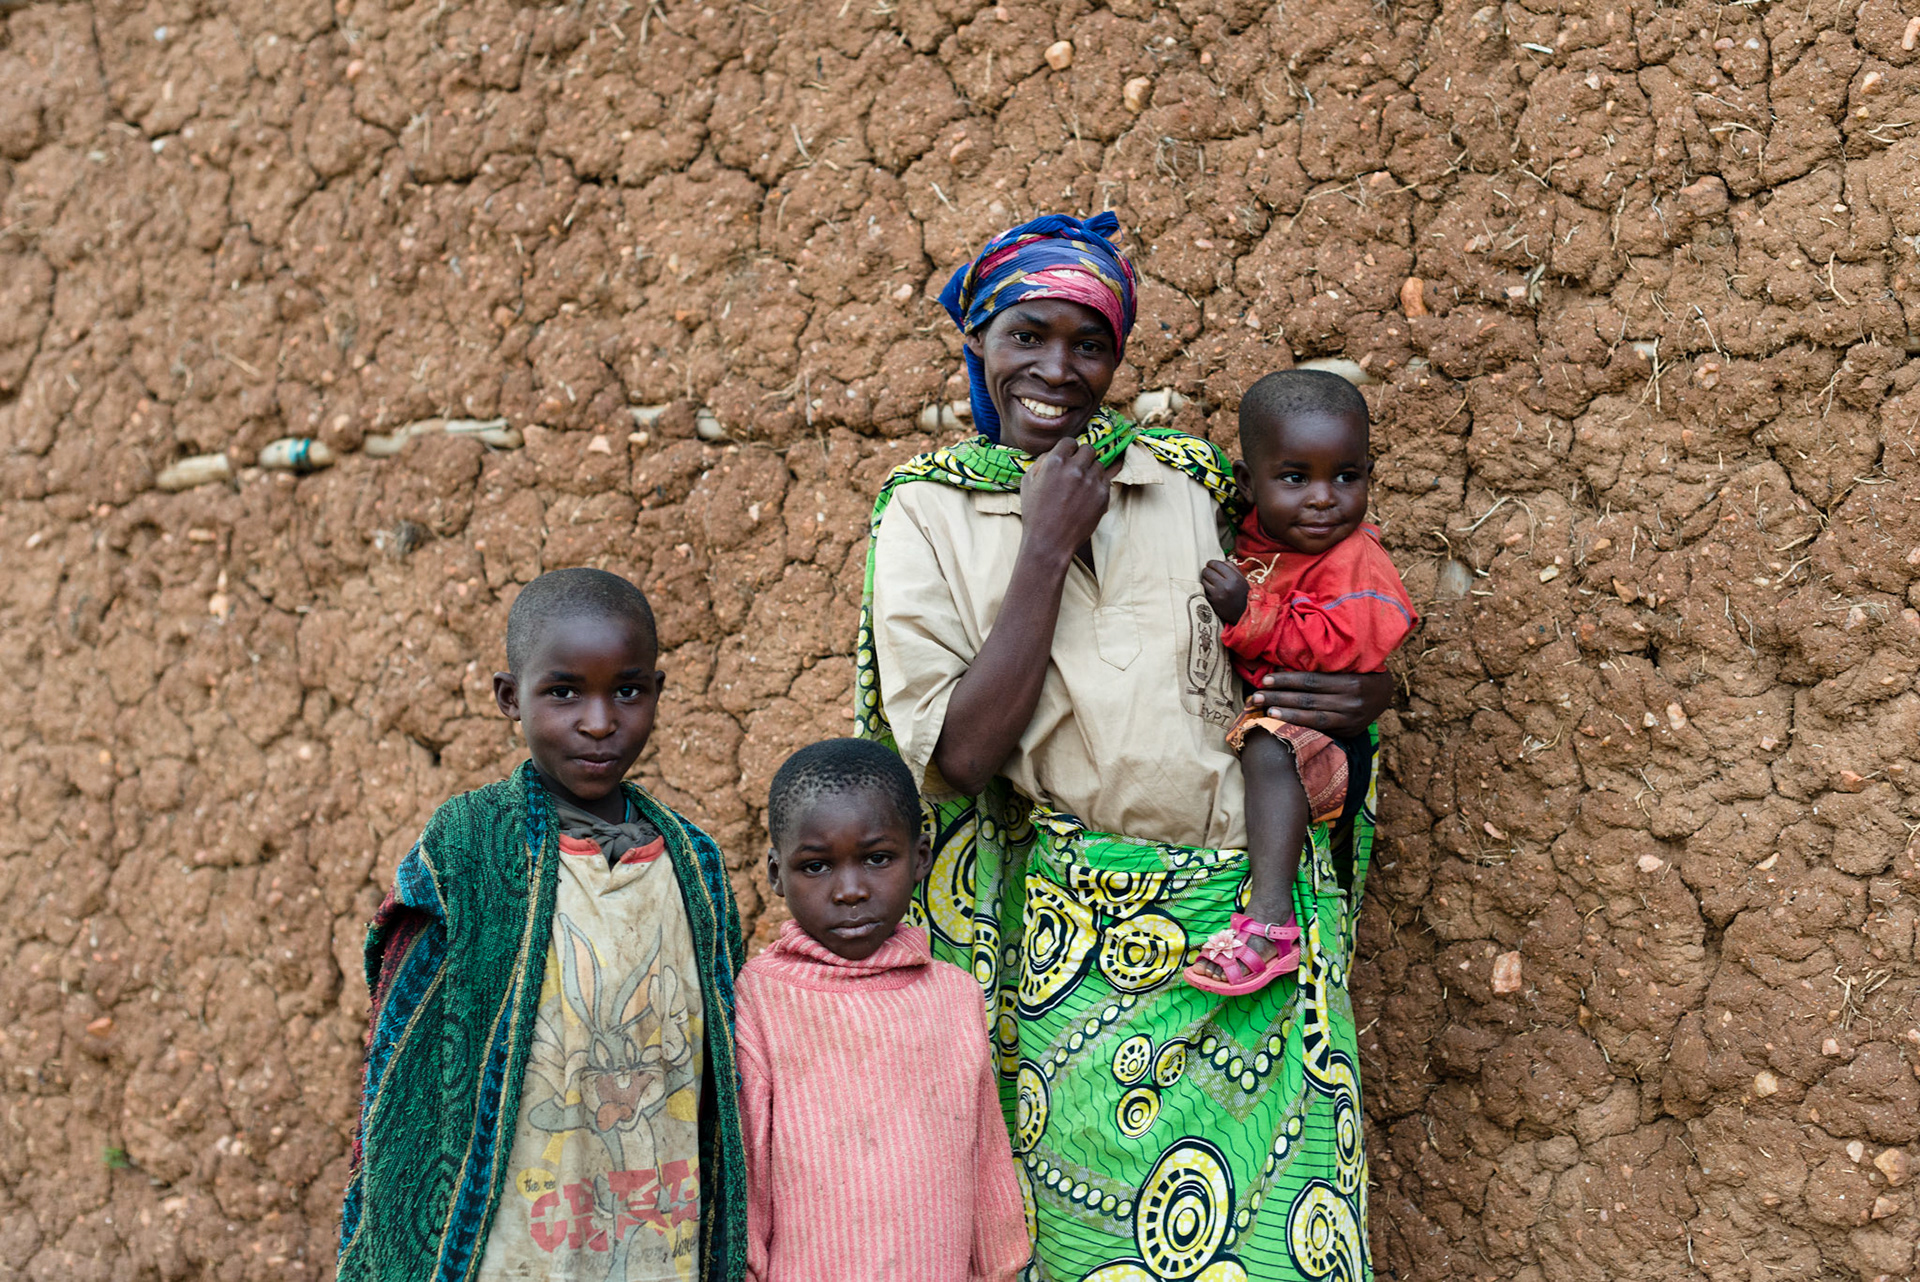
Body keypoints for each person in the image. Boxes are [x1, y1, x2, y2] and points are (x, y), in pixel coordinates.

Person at [856, 211, 1394, 1280]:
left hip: (1257, 931)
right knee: (1096, 1250)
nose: (1057, 369)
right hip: (1085, 960)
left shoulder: (1190, 478)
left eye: (1088, 344)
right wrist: (1045, 545)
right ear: (981, 343)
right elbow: (956, 761)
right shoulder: (925, 514)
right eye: (1028, 335)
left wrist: (1356, 704)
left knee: (1296, 1251)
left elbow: (1302, 620)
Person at [338, 567, 749, 1282]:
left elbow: (724, 1079)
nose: (598, 721)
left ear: (656, 692)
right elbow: (407, 1060)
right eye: (563, 692)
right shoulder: (470, 848)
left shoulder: (693, 865)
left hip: (658, 1236)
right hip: (512, 1246)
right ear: (509, 698)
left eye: (626, 691)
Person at [734, 738, 1028, 1282]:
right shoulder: (762, 997)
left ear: (919, 858)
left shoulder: (954, 996)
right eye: (816, 866)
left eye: (876, 859)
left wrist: (1001, 1268)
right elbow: (747, 1173)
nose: (849, 891)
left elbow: (986, 1160)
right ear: (776, 874)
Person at [1184, 370, 1417, 996]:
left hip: (1323, 734)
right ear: (1247, 484)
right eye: (1295, 478)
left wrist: (1248, 615)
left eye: (1346, 476)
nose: (1323, 498)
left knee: (1268, 748)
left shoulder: (1354, 558)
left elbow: (1349, 645)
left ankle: (1268, 922)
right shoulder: (1259, 540)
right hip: (1275, 721)